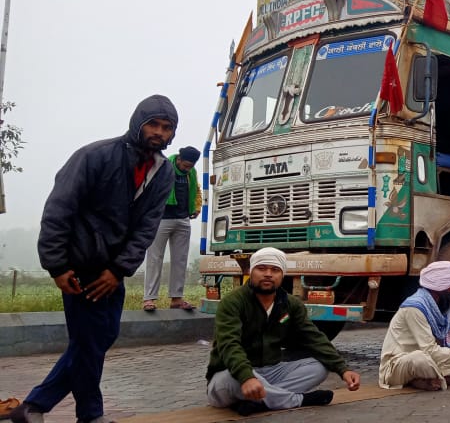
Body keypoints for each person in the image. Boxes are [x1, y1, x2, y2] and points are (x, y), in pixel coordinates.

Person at [10, 95, 179, 423]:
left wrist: (119, 269)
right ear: (138, 124)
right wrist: (57, 266)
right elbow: (59, 210)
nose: (159, 132)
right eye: (153, 125)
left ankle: (32, 407)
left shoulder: (164, 171)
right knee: (90, 342)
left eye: (167, 127)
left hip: (111, 272)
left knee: (98, 339)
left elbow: (147, 227)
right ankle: (87, 415)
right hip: (78, 267)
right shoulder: (95, 156)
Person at [206, 248, 361, 416]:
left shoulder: (291, 304)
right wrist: (247, 377)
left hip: (271, 372)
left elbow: (314, 337)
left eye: (275, 270)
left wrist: (343, 369)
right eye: (262, 268)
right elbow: (229, 345)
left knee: (320, 367)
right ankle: (297, 400)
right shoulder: (232, 302)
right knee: (230, 378)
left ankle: (260, 401)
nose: (268, 274)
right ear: (251, 271)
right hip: (230, 376)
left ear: (282, 275)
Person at [379, 261, 450, 390]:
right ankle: (445, 378)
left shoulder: (445, 305)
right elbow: (430, 351)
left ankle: (426, 378)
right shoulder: (414, 307)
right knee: (420, 358)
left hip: (430, 358)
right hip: (399, 364)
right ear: (439, 285)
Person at [143, 145, 202, 312]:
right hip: (161, 219)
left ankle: (176, 298)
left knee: (180, 260)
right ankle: (149, 299)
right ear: (179, 159)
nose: (187, 168)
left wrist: (197, 207)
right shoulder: (163, 167)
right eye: (185, 165)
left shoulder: (191, 173)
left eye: (190, 166)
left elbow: (196, 190)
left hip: (183, 219)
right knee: (155, 259)